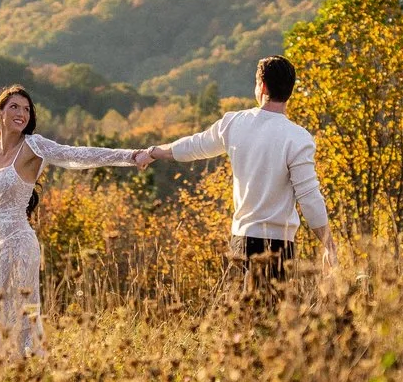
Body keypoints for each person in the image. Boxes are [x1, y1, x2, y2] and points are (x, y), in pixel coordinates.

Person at [0, 85, 143, 359]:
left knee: (19, 311)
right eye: (14, 107)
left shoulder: (33, 147)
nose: (21, 113)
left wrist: (130, 156)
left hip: (20, 244)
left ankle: (24, 368)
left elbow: (79, 154)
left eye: (26, 109)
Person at [139, 55, 334, 280]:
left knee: (241, 313)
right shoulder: (298, 138)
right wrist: (328, 244)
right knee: (272, 313)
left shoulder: (234, 123)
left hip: (240, 242)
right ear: (290, 89)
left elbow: (193, 146)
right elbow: (309, 197)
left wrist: (153, 152)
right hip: (279, 247)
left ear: (262, 86)